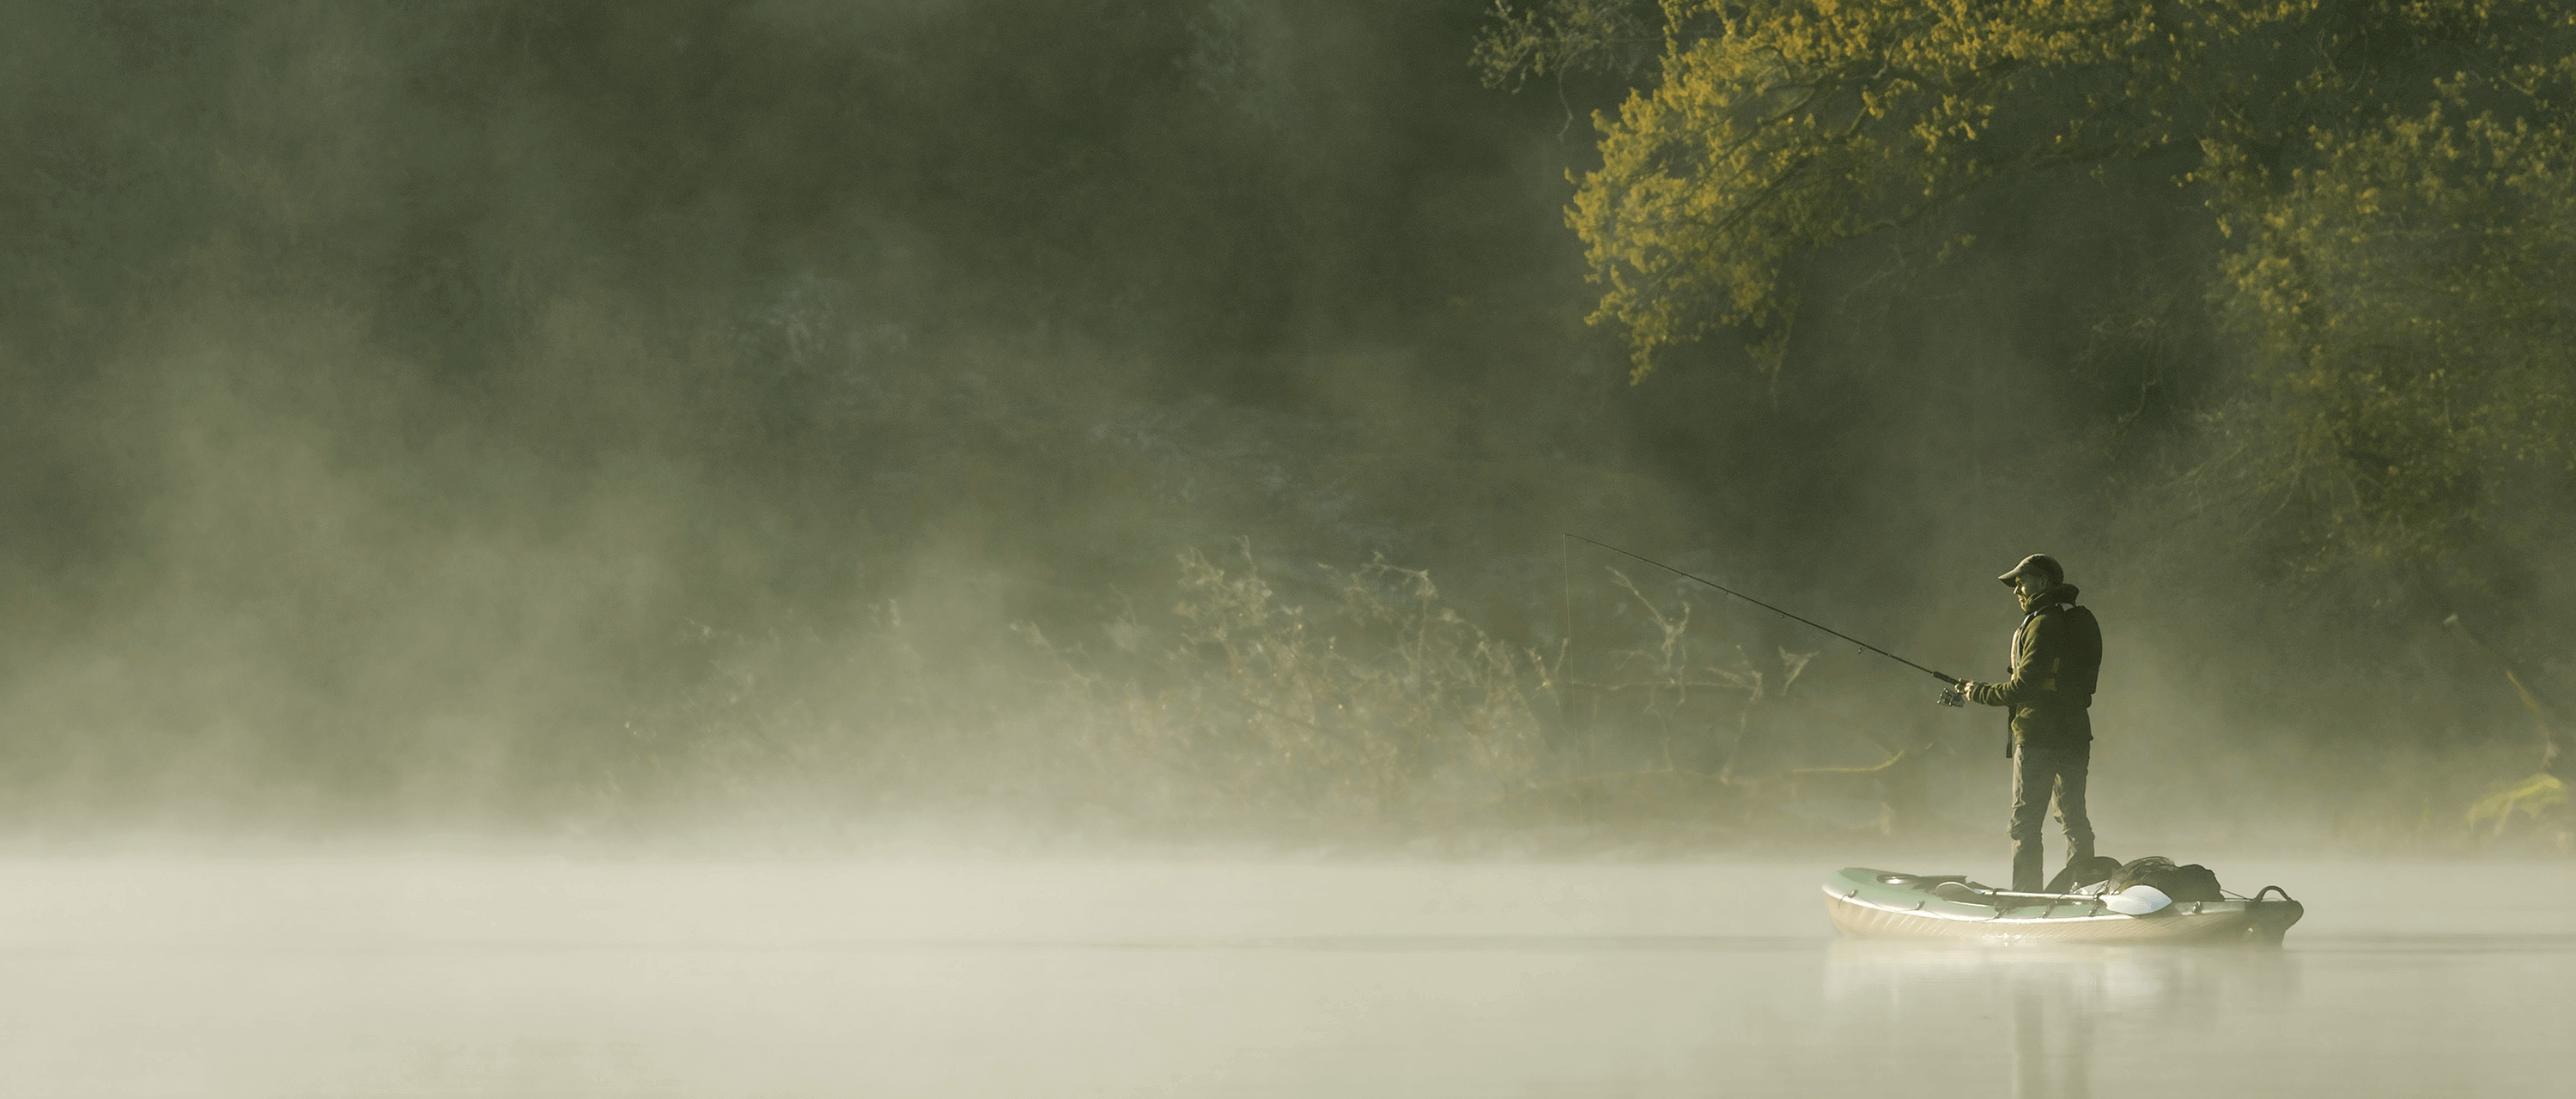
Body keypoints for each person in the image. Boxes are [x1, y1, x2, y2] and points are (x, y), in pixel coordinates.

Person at [1954, 554, 2103, 892]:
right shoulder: (2081, 619)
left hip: (2037, 737)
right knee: (2073, 818)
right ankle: (2085, 889)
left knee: (2025, 825)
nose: (2016, 590)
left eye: (2021, 582)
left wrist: (1976, 692)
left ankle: (2026, 897)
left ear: (2043, 582)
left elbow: (2023, 688)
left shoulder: (2042, 624)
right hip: (2076, 734)